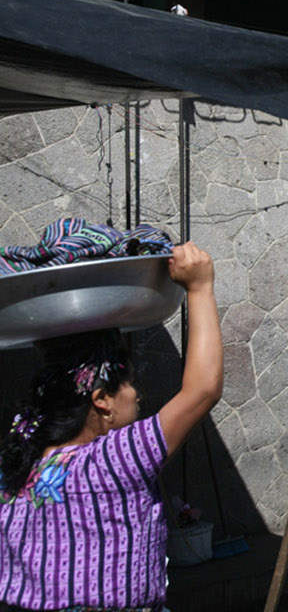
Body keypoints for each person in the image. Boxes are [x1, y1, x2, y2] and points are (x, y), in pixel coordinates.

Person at [0, 243, 220, 609]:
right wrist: (199, 288)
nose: (136, 395)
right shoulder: (113, 460)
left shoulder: (12, 470)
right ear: (101, 399)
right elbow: (202, 390)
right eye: (130, 383)